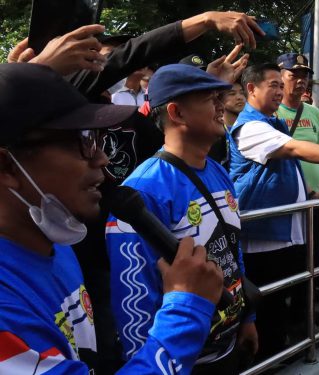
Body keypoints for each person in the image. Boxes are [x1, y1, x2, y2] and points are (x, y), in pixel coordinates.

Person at [0, 63, 225, 374]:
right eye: (80, 142)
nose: (102, 158)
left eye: (95, 138)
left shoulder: (57, 243)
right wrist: (187, 308)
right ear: (7, 167)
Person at [106, 64, 257, 373]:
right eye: (209, 99)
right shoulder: (144, 189)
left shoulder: (218, 172)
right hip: (181, 361)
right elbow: (133, 298)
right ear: (176, 112)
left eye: (220, 96)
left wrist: (247, 318)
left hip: (225, 348)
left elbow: (231, 249)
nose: (221, 105)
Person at [228, 62, 319, 359]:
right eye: (273, 85)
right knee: (269, 310)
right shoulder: (250, 127)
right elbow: (293, 149)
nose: (280, 91)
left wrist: (310, 192)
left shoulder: (271, 122)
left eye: (281, 85)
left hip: (288, 231)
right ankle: (269, 362)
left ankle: (287, 355)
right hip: (264, 236)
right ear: (251, 89)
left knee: (288, 300)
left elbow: (286, 168)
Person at [274, 53, 319, 192]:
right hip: (285, 197)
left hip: (316, 198)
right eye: (294, 76)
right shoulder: (270, 112)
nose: (301, 80)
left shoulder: (315, 113)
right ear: (279, 78)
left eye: (304, 76)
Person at [208, 81, 245, 165]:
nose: (239, 97)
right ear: (219, 99)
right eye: (232, 94)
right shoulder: (215, 131)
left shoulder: (251, 127)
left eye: (242, 93)